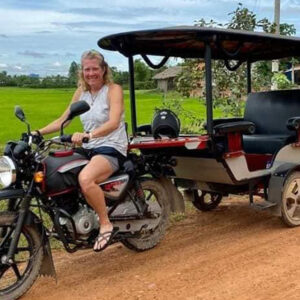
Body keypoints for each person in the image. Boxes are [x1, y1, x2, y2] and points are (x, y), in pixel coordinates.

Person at [34, 50, 128, 251]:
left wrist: (89, 135)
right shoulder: (81, 92)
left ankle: (105, 223)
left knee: (86, 179)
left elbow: (113, 122)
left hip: (111, 146)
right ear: (82, 72)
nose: (91, 73)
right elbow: (63, 121)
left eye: (95, 68)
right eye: (87, 69)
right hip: (89, 148)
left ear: (104, 70)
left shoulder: (113, 90)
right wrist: (37, 132)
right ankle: (72, 214)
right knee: (56, 171)